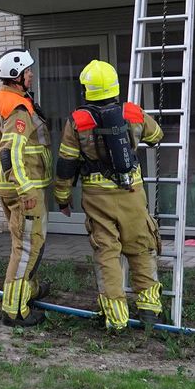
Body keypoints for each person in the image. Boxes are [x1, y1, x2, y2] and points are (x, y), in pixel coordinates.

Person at [53, 60, 165, 331]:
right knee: (141, 247)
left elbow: (66, 163)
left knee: (107, 252)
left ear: (87, 90)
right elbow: (157, 135)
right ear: (115, 85)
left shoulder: (76, 121)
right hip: (132, 193)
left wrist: (62, 198)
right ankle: (150, 309)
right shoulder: (132, 112)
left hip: (97, 197)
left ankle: (115, 316)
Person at [0, 48, 52, 327]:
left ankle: (27, 291)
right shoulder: (17, 107)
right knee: (26, 249)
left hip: (5, 187)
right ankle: (14, 309)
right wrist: (25, 191)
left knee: (24, 245)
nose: (31, 74)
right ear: (16, 75)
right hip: (24, 189)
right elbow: (13, 152)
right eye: (27, 71)